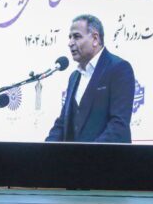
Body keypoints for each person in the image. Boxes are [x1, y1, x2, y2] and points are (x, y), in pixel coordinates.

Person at [46, 15, 135, 143]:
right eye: (70, 37)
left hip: (108, 155)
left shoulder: (119, 69)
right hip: (73, 155)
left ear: (95, 39)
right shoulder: (74, 77)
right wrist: (45, 148)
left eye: (76, 36)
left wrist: (88, 152)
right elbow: (63, 123)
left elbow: (118, 125)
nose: (70, 43)